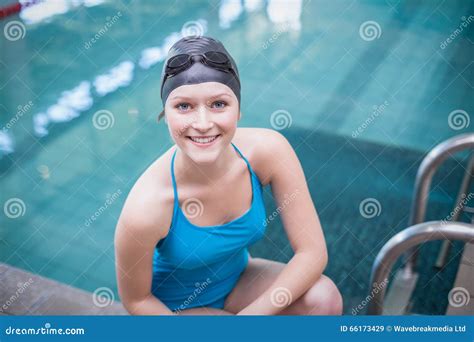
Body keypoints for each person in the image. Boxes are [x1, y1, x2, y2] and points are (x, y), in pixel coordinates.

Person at [114, 36, 342, 315]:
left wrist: (250, 318)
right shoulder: (147, 206)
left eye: (218, 104)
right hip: (177, 309)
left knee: (324, 298)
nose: (202, 124)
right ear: (166, 113)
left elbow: (312, 252)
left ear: (238, 109)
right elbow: (136, 301)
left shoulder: (269, 151)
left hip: (239, 282)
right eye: (183, 106)